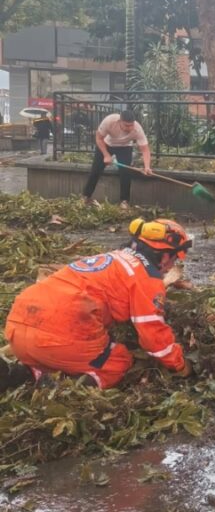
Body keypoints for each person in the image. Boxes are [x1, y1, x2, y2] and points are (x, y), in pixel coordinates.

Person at [0, 218, 193, 392]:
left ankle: (24, 373)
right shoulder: (147, 278)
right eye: (175, 258)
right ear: (166, 256)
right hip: (58, 334)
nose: (171, 267)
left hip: (17, 328)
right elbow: (154, 337)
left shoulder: (113, 257)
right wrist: (180, 366)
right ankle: (65, 390)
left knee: (51, 355)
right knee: (117, 361)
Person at [82, 109, 152, 208]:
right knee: (96, 170)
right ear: (120, 122)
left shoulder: (137, 129)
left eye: (131, 125)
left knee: (125, 172)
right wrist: (106, 155)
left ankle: (124, 201)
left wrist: (147, 167)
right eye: (126, 125)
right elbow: (99, 138)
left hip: (125, 147)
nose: (130, 128)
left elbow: (145, 150)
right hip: (107, 144)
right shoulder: (109, 121)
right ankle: (86, 197)